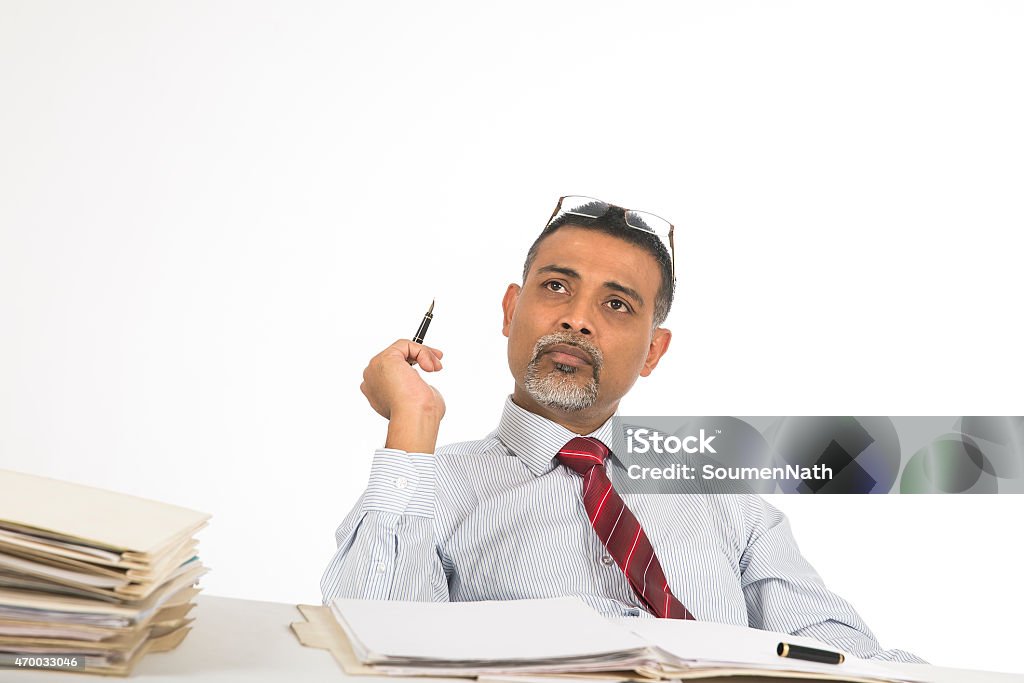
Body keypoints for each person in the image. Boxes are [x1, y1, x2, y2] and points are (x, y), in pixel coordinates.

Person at [321, 196, 924, 663]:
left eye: (617, 305)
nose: (577, 320)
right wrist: (412, 423)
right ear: (510, 310)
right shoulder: (431, 483)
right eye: (556, 287)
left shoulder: (724, 501)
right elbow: (370, 641)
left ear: (653, 352)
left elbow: (837, 651)